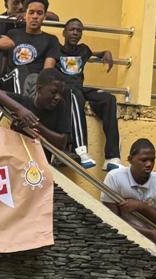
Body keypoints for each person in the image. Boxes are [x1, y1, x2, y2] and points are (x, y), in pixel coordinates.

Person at [57, 17, 120, 170]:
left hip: (79, 89)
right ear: (64, 32)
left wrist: (106, 52)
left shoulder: (83, 50)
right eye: (72, 30)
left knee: (109, 99)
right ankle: (81, 151)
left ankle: (112, 157)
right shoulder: (55, 49)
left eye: (79, 31)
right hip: (65, 90)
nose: (75, 33)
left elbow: (96, 53)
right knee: (74, 94)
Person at [102, 138, 156, 247]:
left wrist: (141, 206)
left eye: (152, 160)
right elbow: (113, 221)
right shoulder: (114, 177)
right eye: (144, 160)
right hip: (120, 243)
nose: (149, 164)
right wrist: (150, 234)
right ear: (130, 159)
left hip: (152, 246)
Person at [0, 0, 59, 96]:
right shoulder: (12, 34)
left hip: (34, 83)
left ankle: (27, 100)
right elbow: (3, 61)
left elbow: (47, 71)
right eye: (31, 12)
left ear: (44, 17)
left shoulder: (51, 39)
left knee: (36, 78)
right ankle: (26, 101)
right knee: (19, 70)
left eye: (39, 13)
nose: (35, 16)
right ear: (25, 15)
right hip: (10, 79)